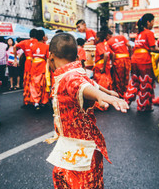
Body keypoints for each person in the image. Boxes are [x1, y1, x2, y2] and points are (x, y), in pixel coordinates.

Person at [45, 33, 128, 188]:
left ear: (51, 56)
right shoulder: (75, 72)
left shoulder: (69, 77)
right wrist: (107, 93)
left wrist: (101, 95)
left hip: (79, 150)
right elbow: (89, 83)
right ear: (76, 56)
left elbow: (82, 86)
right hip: (73, 146)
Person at [124, 14, 159, 112]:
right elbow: (152, 48)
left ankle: (126, 102)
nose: (153, 24)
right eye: (152, 21)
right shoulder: (148, 33)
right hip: (144, 60)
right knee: (145, 82)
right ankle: (144, 106)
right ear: (148, 22)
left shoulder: (139, 34)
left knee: (134, 81)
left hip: (134, 59)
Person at [14, 29, 38, 107]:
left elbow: (15, 47)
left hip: (27, 64)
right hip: (36, 64)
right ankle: (36, 101)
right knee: (35, 83)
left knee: (27, 83)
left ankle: (27, 101)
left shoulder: (25, 42)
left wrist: (15, 58)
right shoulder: (38, 42)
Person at [107, 31, 131, 97]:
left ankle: (120, 94)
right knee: (126, 78)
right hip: (126, 59)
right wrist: (130, 56)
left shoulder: (108, 42)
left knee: (118, 79)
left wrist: (112, 63)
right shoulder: (122, 37)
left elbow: (112, 54)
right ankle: (126, 93)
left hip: (118, 61)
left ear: (107, 35)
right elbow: (129, 46)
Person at [30, 30, 49, 110]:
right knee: (42, 85)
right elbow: (47, 58)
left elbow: (31, 59)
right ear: (43, 37)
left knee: (34, 85)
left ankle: (36, 102)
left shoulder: (32, 46)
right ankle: (43, 102)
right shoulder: (46, 46)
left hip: (34, 67)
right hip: (42, 67)